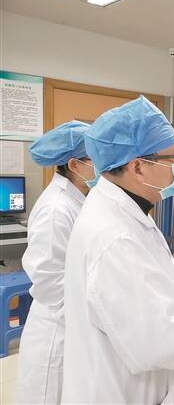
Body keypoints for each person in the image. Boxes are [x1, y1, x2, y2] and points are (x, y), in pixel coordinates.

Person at [61, 96, 174, 404]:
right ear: (138, 167)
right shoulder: (115, 236)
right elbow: (156, 344)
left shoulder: (128, 212)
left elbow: (139, 296)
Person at [15, 120, 98, 404]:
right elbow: (50, 283)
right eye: (95, 158)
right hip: (56, 334)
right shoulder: (55, 209)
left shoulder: (77, 201)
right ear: (74, 164)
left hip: (73, 329)